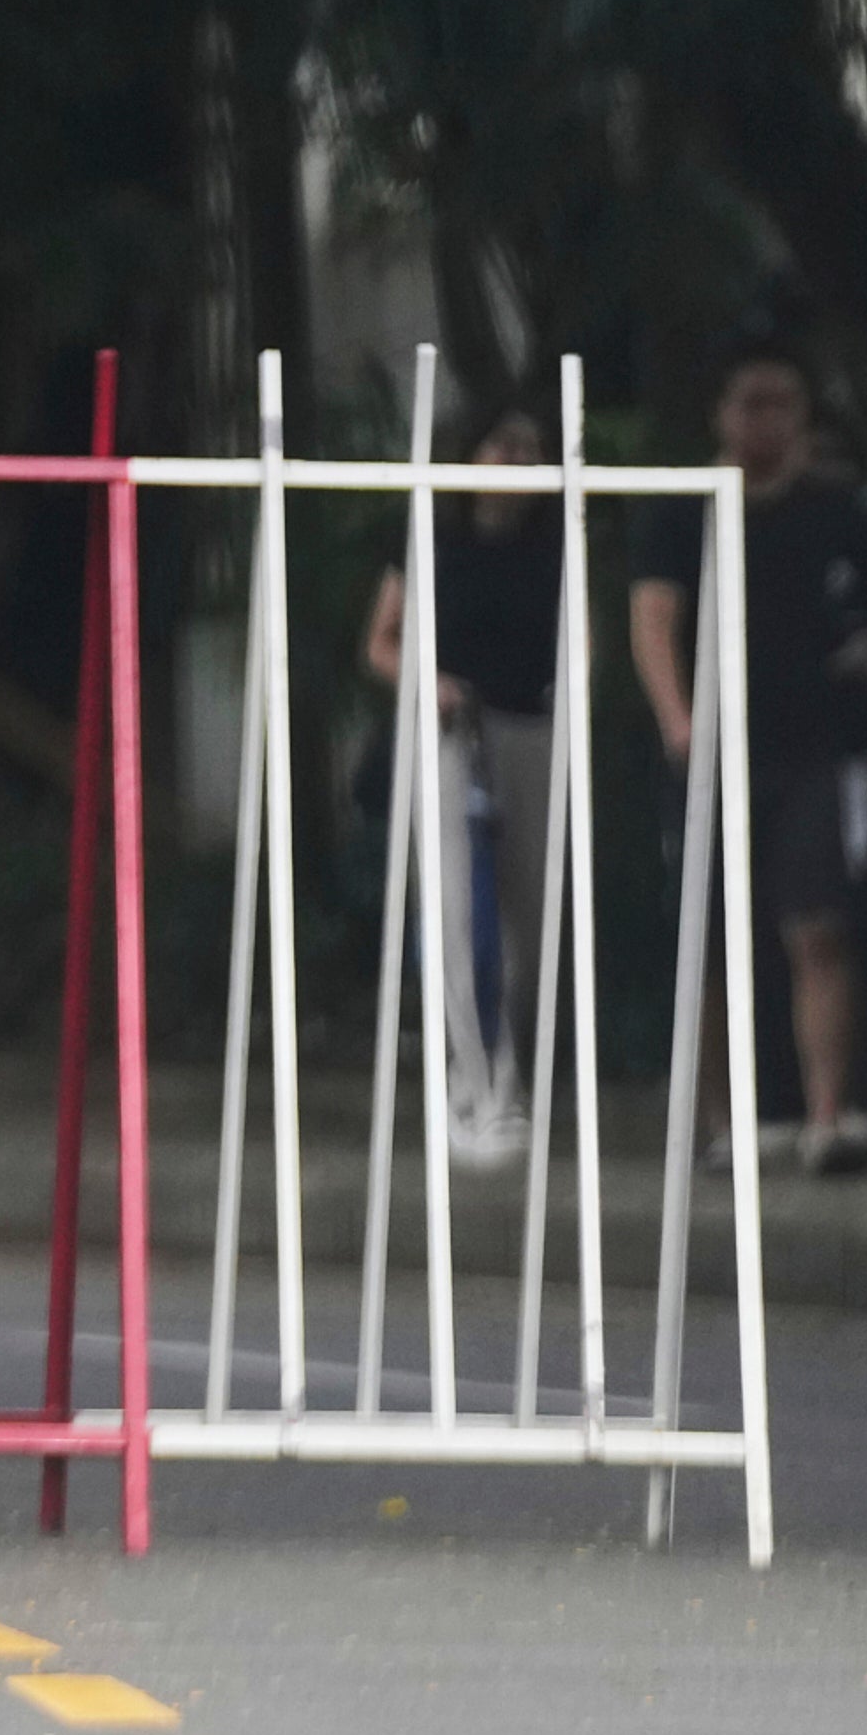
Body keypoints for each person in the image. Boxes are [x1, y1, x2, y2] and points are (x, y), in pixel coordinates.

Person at [630, 348, 867, 1174]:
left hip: (811, 748)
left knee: (818, 926)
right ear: (720, 412)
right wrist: (680, 723)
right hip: (712, 752)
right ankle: (727, 1121)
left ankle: (825, 1114)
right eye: (751, 402)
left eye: (784, 402)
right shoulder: (682, 511)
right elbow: (653, 618)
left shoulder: (842, 511)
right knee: (710, 942)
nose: (768, 420)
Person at [363, 407, 563, 1168]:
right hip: (451, 735)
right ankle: (475, 1085)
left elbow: (582, 642)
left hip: (534, 731)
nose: (517, 458)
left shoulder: (556, 544)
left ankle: (512, 1074)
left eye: (529, 446)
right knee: (458, 913)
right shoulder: (429, 533)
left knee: (532, 922)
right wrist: (432, 683)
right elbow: (380, 641)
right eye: (502, 443)